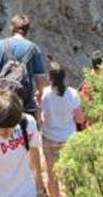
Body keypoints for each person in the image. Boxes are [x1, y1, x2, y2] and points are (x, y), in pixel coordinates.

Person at [0, 14, 47, 118]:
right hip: (24, 106)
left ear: (12, 28)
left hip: (0, 104)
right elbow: (40, 78)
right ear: (26, 30)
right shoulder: (34, 49)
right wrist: (39, 96)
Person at [40, 62, 84, 197]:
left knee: (52, 176)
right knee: (71, 174)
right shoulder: (73, 94)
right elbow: (80, 120)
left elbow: (40, 117)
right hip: (69, 139)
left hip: (49, 138)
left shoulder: (44, 94)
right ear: (64, 77)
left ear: (50, 77)